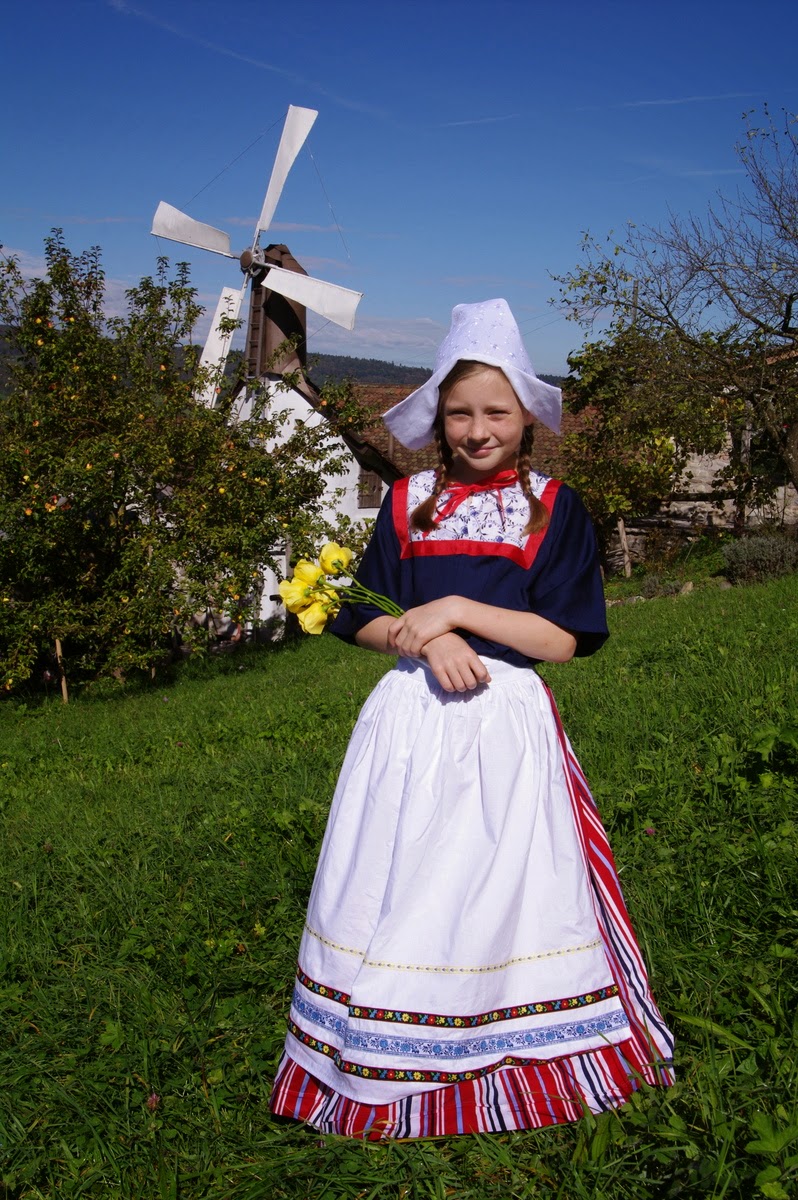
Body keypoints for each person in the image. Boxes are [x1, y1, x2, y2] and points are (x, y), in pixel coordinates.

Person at [270, 299, 674, 1140]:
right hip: (411, 723)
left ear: (527, 416)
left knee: (503, 874)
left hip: (503, 722)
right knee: (401, 871)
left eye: (497, 412)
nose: (478, 430)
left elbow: (562, 638)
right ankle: (391, 1037)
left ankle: (507, 1032)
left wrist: (456, 608)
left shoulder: (553, 507)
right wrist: (419, 638)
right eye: (461, 413)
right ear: (438, 418)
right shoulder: (409, 499)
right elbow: (361, 616)